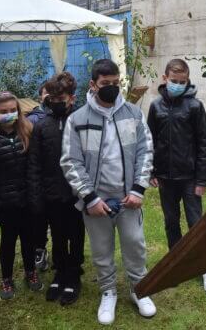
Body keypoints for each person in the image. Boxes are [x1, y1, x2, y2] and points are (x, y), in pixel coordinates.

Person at [60, 59, 156, 325]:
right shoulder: (77, 120)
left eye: (115, 83)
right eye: (105, 84)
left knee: (135, 246)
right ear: (93, 85)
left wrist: (138, 189)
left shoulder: (133, 115)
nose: (111, 88)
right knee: (102, 251)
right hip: (96, 202)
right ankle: (108, 292)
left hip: (129, 200)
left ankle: (141, 289)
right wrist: (89, 198)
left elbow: (144, 151)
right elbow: (71, 161)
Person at [147, 59, 206, 294]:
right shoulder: (155, 107)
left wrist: (201, 181)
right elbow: (150, 141)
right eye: (174, 81)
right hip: (166, 179)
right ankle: (175, 265)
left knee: (196, 223)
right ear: (165, 79)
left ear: (188, 81)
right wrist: (151, 171)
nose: (178, 85)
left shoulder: (195, 107)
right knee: (170, 222)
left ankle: (205, 266)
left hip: (189, 178)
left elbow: (204, 145)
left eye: (182, 82)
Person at [0, 91, 44, 300]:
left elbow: (35, 169)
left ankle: (30, 272)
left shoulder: (27, 132)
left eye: (12, 110)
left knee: (29, 240)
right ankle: (6, 278)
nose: (9, 114)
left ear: (19, 111)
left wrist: (36, 197)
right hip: (5, 203)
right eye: (3, 112)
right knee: (7, 243)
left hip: (27, 201)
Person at [29, 72, 84, 306]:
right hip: (51, 192)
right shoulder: (42, 126)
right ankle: (59, 271)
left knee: (76, 233)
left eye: (60, 98)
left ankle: (74, 273)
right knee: (58, 234)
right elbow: (34, 162)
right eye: (51, 97)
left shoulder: (81, 121)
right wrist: (37, 192)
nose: (55, 101)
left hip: (77, 191)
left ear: (71, 98)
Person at [26, 80, 50, 273]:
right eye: (46, 93)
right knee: (38, 218)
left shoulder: (68, 116)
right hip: (39, 177)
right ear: (40, 96)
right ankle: (39, 249)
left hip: (59, 178)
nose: (50, 96)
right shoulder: (33, 120)